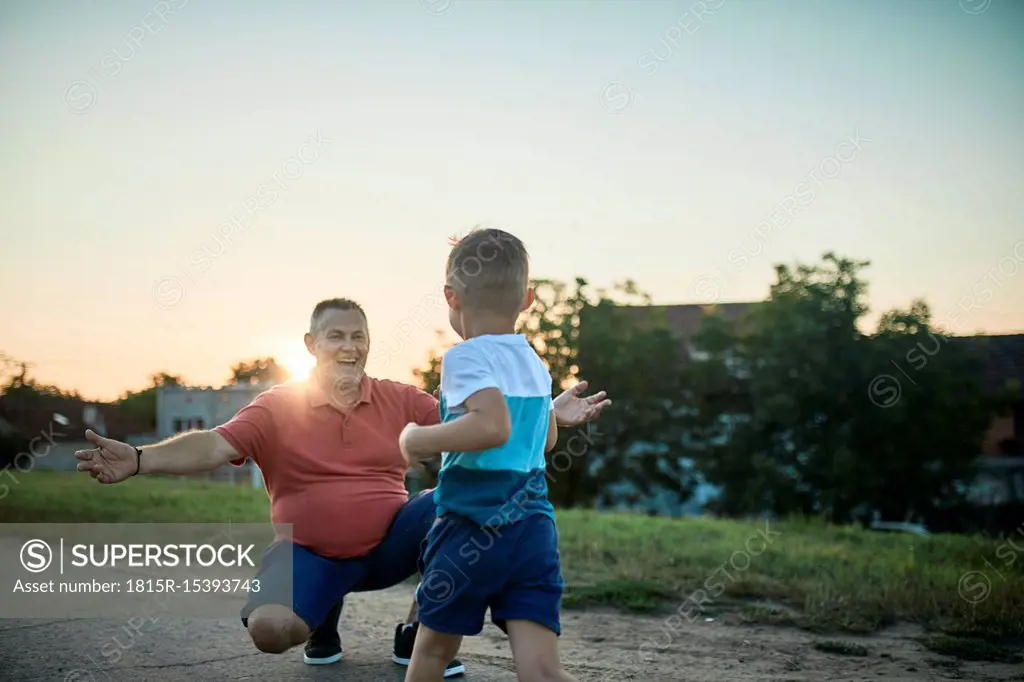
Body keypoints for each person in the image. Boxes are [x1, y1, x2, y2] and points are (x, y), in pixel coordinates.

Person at [74, 296, 610, 679]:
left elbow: (481, 422)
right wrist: (141, 459)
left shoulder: (401, 398)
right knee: (271, 630)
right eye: (336, 335)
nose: (349, 346)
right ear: (311, 344)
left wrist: (545, 413)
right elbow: (213, 445)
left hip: (391, 544)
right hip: (308, 551)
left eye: (359, 336)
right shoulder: (276, 407)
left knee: (448, 503)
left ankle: (417, 628)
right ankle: (321, 619)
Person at [399, 229, 578, 682]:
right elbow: (544, 442)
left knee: (432, 654)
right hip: (533, 532)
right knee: (542, 670)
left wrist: (417, 440)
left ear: (451, 296)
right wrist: (550, 412)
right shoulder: (534, 361)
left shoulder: (465, 357)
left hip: (470, 529)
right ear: (528, 299)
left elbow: (492, 426)